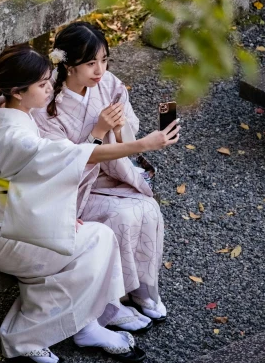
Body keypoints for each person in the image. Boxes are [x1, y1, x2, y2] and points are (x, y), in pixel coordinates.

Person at [0, 43, 179, 363]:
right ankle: (25, 337)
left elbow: (41, 177)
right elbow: (74, 157)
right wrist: (143, 145)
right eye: (42, 85)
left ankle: (87, 324)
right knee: (93, 247)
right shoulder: (14, 135)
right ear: (17, 92)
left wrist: (60, 216)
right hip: (5, 236)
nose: (49, 89)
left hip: (18, 222)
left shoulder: (4, 112)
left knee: (98, 238)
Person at [34, 22, 171, 330]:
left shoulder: (107, 83)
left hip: (110, 174)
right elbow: (62, 162)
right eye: (91, 63)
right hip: (72, 189)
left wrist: (120, 127)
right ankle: (108, 304)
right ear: (68, 65)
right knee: (122, 216)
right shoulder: (47, 104)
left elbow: (127, 124)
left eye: (105, 60)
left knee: (147, 209)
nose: (100, 70)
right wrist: (97, 132)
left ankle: (141, 289)